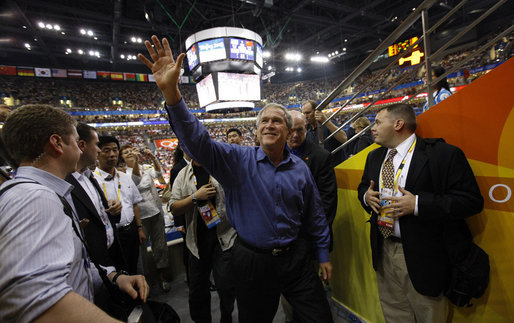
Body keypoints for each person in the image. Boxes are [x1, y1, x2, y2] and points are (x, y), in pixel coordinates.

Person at [139, 35, 333, 323]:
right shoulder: (237, 161)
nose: (270, 124)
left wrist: (322, 252)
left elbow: (314, 213)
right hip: (253, 260)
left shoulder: (300, 168)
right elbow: (199, 143)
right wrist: (172, 95)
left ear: (287, 130)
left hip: (297, 259)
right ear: (255, 132)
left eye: (277, 120)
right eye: (264, 121)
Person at [0, 105, 139, 322]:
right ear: (57, 143)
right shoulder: (35, 198)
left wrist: (112, 277)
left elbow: (73, 265)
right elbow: (37, 302)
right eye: (75, 141)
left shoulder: (39, 192)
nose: (81, 148)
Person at [357, 103, 483, 322]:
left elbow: (470, 201)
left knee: (429, 315)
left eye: (377, 122)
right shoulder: (374, 157)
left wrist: (417, 204)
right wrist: (366, 198)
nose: (372, 128)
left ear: (398, 123)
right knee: (394, 314)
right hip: (384, 251)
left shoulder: (443, 155)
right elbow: (363, 188)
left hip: (424, 255)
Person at [66, 123, 149, 319]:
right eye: (99, 147)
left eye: (114, 150)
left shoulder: (89, 178)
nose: (110, 154)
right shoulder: (68, 183)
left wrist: (114, 213)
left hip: (117, 246)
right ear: (82, 145)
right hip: (96, 261)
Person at [170, 157, 237, 323]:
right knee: (197, 292)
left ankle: (226, 318)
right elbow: (173, 207)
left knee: (227, 288)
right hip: (196, 243)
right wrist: (195, 197)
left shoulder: (222, 167)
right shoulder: (183, 174)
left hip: (224, 240)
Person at [120, 145, 171, 291]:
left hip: (156, 212)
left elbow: (159, 174)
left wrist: (153, 158)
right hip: (140, 218)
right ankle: (145, 280)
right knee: (141, 252)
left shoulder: (145, 167)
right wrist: (136, 162)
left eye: (131, 151)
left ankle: (162, 277)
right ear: (121, 157)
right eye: (126, 152)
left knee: (160, 247)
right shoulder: (123, 173)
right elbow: (135, 181)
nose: (129, 153)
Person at [94, 136, 145, 275]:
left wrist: (139, 228)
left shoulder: (125, 177)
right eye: (106, 150)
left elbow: (134, 204)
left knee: (135, 267)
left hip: (131, 231)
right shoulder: (93, 181)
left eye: (115, 150)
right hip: (112, 235)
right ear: (98, 153)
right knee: (119, 272)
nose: (112, 154)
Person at [302, 100, 347, 166]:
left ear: (316, 112)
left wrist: (325, 121)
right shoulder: (309, 132)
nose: (305, 116)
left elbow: (344, 138)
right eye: (304, 113)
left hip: (338, 168)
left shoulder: (328, 124)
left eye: (308, 113)